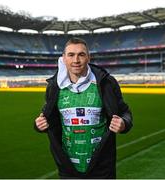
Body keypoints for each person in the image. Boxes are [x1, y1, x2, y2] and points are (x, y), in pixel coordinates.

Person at [34, 37, 133, 179]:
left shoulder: (106, 83)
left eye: (81, 54)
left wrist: (124, 123)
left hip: (102, 168)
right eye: (71, 55)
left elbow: (125, 112)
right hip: (68, 169)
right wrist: (38, 125)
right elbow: (46, 117)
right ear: (63, 58)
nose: (76, 60)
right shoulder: (54, 87)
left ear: (88, 57)